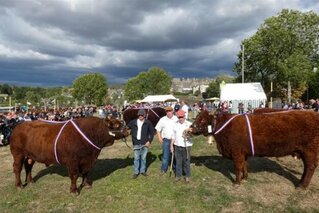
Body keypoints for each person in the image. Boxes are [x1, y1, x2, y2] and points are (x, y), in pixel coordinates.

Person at [127, 109, 154, 179]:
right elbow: (127, 127)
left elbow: (152, 132)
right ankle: (136, 172)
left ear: (144, 115)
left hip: (145, 143)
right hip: (136, 143)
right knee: (136, 158)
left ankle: (142, 171)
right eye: (139, 115)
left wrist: (149, 141)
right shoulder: (133, 122)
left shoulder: (148, 122)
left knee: (143, 158)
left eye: (142, 115)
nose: (140, 116)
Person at [170, 109, 193, 182]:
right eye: (179, 117)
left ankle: (187, 176)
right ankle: (178, 176)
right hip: (177, 146)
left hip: (187, 146)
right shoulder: (175, 124)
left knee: (186, 161)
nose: (181, 118)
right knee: (178, 161)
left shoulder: (189, 124)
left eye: (182, 117)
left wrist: (188, 135)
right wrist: (171, 145)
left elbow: (193, 136)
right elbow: (173, 136)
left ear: (184, 116)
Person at [155, 106, 178, 175]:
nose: (169, 113)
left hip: (175, 140)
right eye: (167, 111)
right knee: (165, 155)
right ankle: (164, 169)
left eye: (170, 111)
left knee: (175, 155)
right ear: (166, 112)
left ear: (172, 111)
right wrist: (159, 138)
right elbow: (158, 129)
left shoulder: (176, 119)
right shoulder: (162, 119)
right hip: (166, 140)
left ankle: (175, 168)